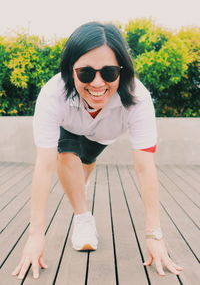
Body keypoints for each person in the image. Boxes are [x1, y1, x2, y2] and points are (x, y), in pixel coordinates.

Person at [12, 21, 183, 279]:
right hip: (68, 127)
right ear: (71, 70)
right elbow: (44, 166)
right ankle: (83, 219)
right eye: (86, 73)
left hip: (102, 136)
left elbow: (145, 167)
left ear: (122, 71)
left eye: (109, 72)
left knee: (85, 163)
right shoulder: (53, 95)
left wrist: (154, 235)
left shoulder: (138, 98)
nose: (98, 83)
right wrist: (36, 236)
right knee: (65, 156)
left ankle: (80, 184)